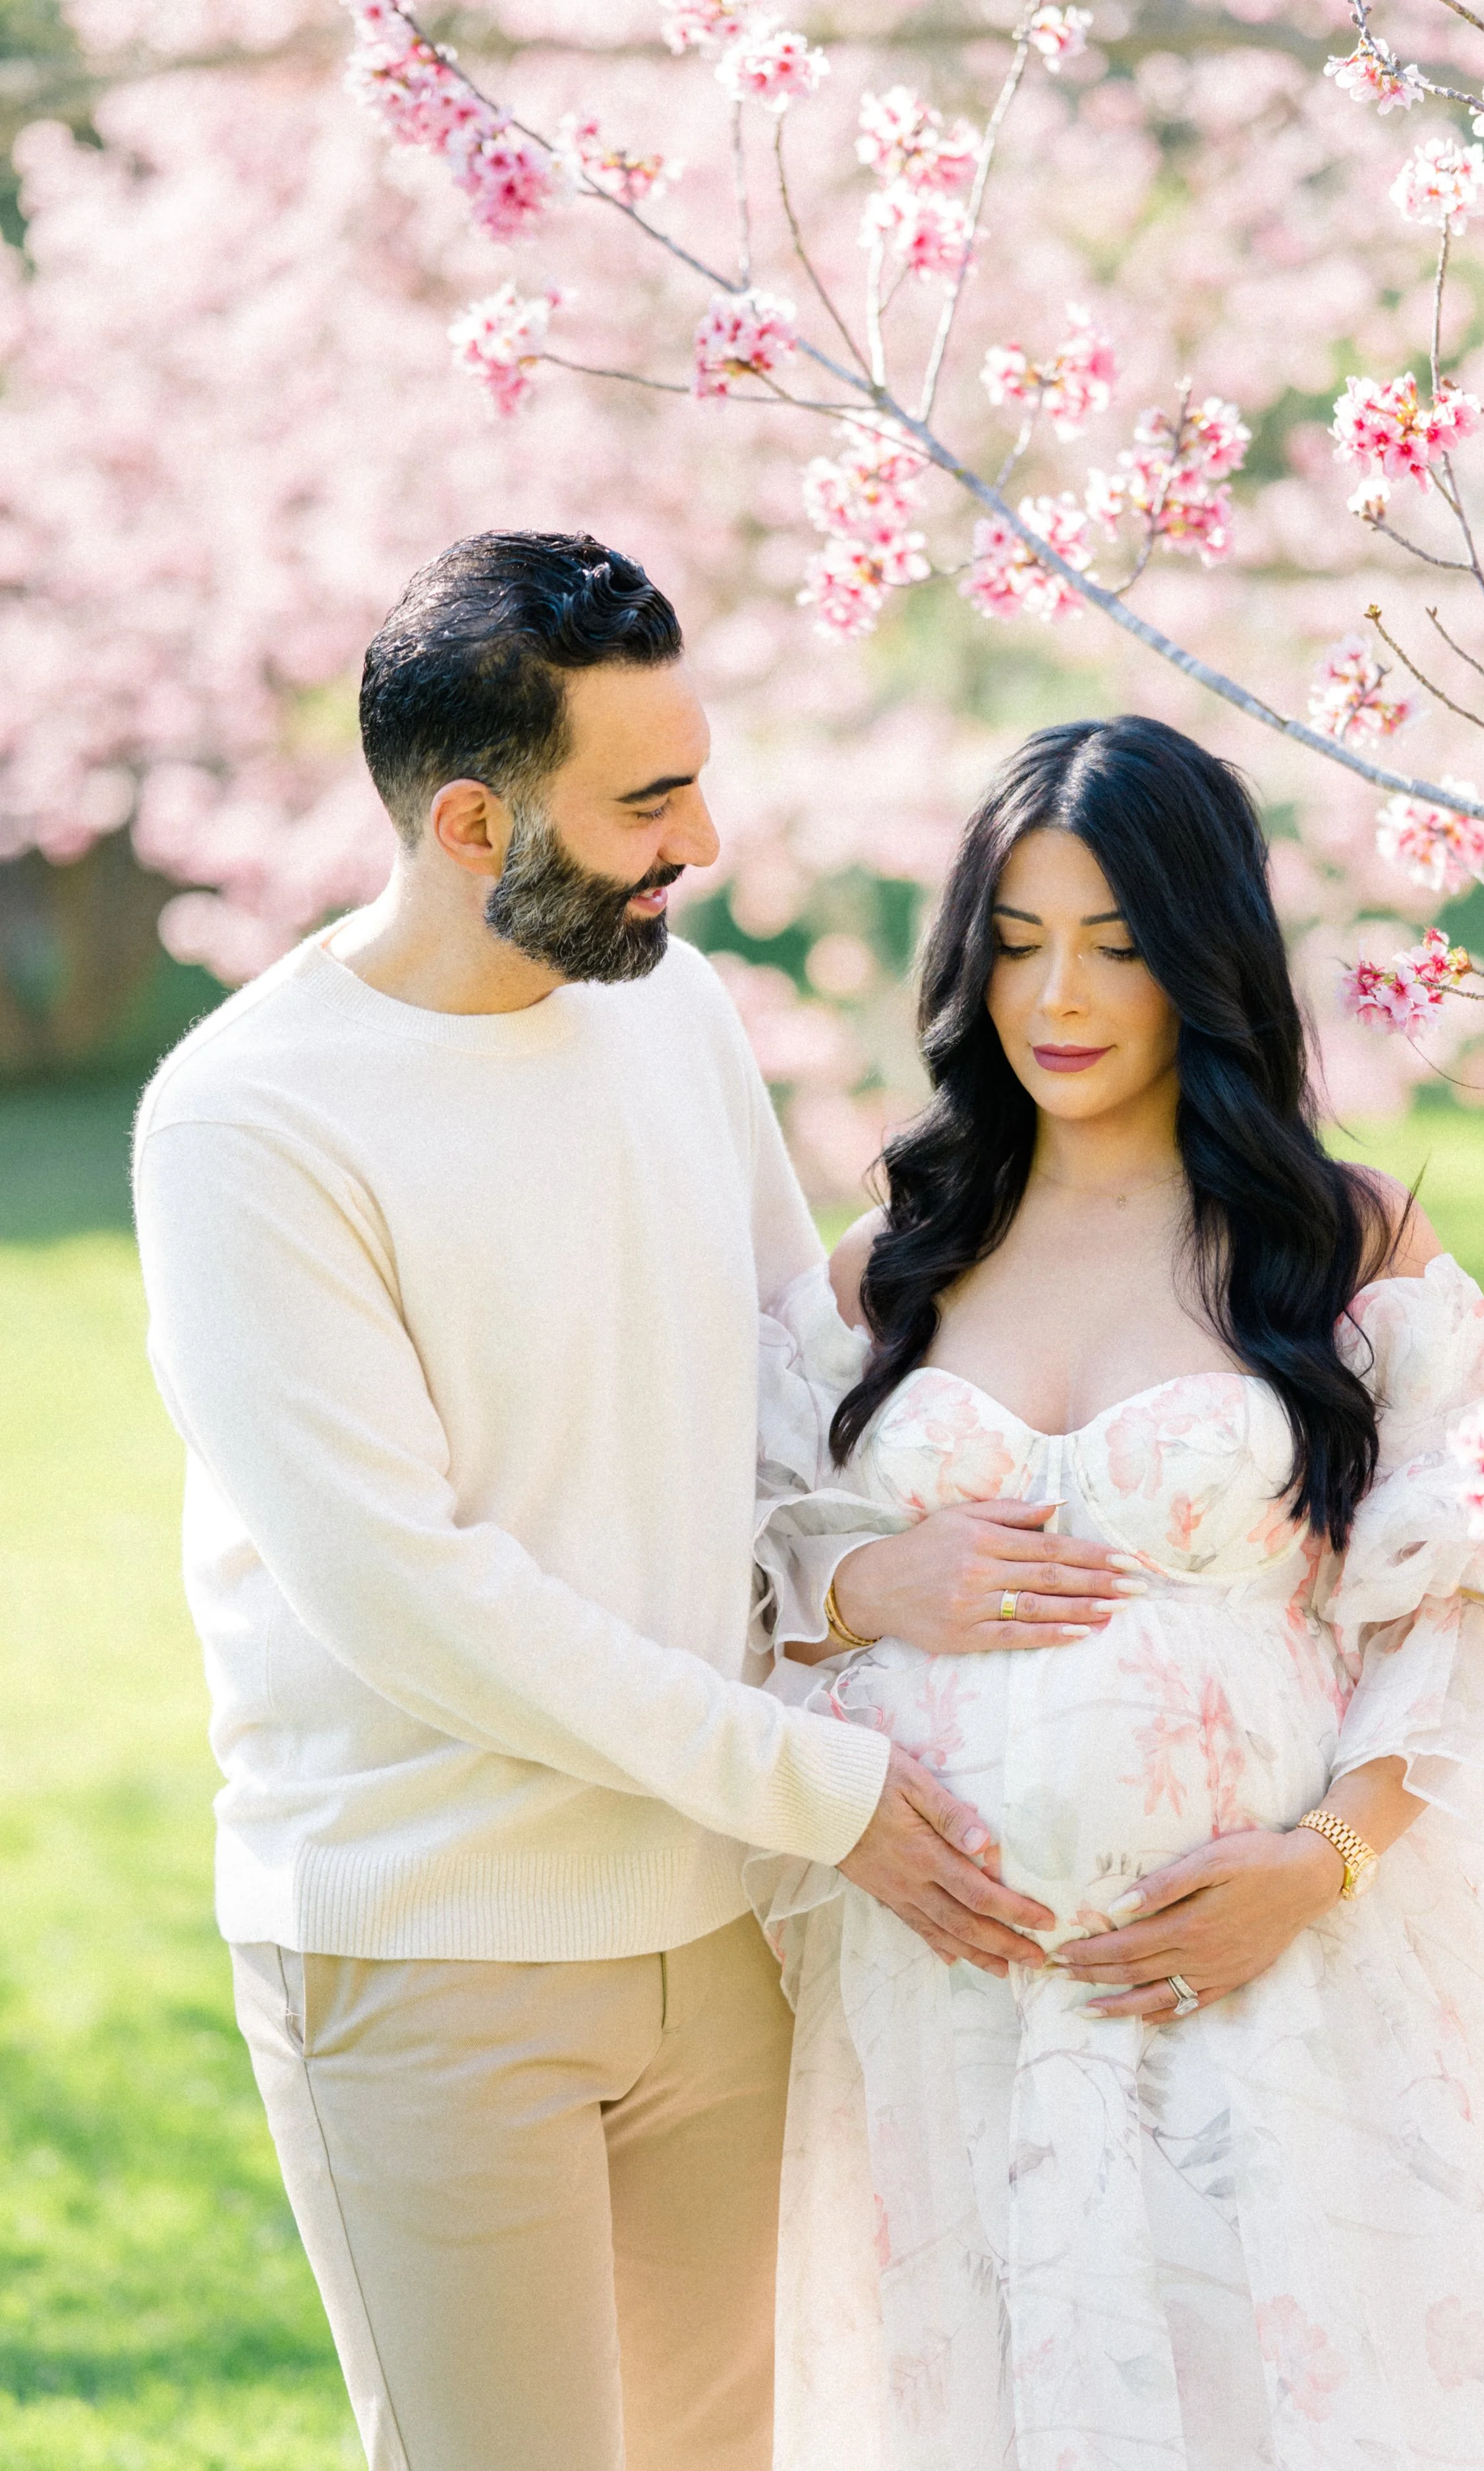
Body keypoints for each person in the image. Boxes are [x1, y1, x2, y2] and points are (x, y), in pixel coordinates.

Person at [130, 529, 1070, 2471]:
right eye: (646, 803)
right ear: (473, 822)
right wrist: (821, 1788)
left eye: (694, 779)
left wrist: (856, 1577)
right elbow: (414, 1599)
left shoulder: (673, 1009)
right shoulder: (247, 1123)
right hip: (432, 1949)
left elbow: (779, 1387)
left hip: (720, 1916)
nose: (698, 842)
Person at [751, 714, 1484, 2471]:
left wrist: (1326, 1862)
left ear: (1202, 956)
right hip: (951, 2002)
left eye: (1114, 944)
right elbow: (729, 1567)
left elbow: (1471, 1589)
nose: (1055, 997)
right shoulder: (891, 1263)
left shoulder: (1334, 1246)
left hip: (1276, 1984)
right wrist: (864, 1582)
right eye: (1016, 942)